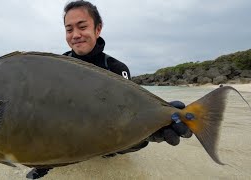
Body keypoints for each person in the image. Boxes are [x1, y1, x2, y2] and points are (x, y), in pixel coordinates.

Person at [27, 0, 192, 179]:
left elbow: (131, 114)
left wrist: (154, 128)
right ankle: (45, 163)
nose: (75, 35)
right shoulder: (55, 67)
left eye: (82, 27)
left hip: (107, 141)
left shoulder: (116, 68)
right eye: (69, 29)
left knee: (132, 141)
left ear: (98, 29)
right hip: (70, 138)